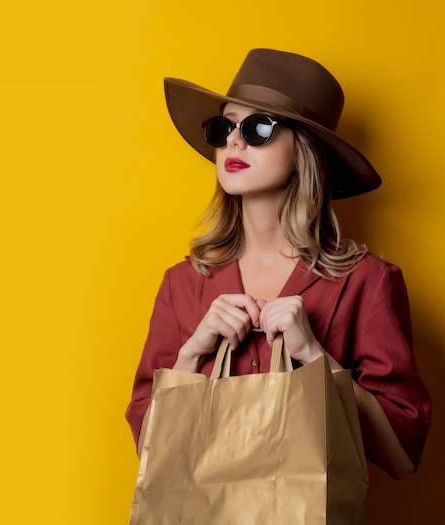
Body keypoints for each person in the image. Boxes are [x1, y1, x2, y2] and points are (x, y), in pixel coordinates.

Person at [125, 49, 431, 480]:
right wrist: (192, 355)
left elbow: (401, 455)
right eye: (224, 126)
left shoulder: (368, 282)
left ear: (305, 149)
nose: (234, 141)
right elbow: (149, 451)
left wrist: (315, 356)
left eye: (258, 127)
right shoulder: (183, 284)